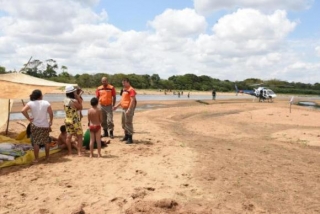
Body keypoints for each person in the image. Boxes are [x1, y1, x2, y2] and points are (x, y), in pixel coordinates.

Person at [21, 89, 53, 163]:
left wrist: (29, 118)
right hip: (45, 125)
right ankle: (47, 157)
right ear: (40, 95)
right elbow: (51, 113)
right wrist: (51, 121)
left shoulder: (31, 103)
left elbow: (23, 111)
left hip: (35, 125)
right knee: (46, 141)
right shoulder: (46, 103)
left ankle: (36, 159)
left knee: (36, 143)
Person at [113, 78, 137, 144]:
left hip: (128, 108)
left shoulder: (131, 90)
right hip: (123, 108)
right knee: (123, 123)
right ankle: (126, 136)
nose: (123, 84)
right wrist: (116, 106)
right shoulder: (124, 90)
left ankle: (130, 138)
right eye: (122, 83)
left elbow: (132, 100)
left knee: (128, 122)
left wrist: (129, 109)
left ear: (128, 82)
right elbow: (122, 100)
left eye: (124, 83)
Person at [63, 85, 83, 156]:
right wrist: (77, 97)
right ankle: (79, 152)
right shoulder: (74, 101)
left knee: (69, 136)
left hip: (67, 119)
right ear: (72, 92)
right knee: (79, 136)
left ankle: (70, 152)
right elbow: (80, 107)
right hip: (75, 120)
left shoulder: (65, 100)